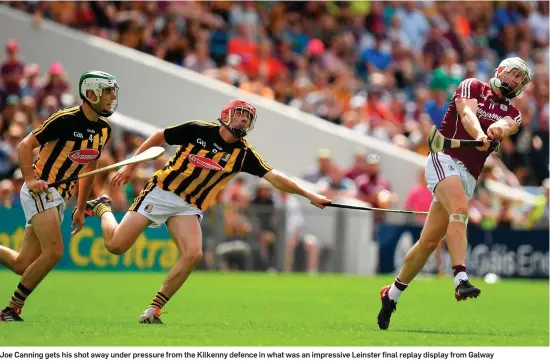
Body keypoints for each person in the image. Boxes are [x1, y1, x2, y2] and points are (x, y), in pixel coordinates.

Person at [79, 99, 331, 324]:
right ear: (227, 114)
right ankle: (102, 207)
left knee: (193, 254)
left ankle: (154, 310)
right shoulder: (198, 129)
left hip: (188, 206)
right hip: (160, 192)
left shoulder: (243, 154)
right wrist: (132, 166)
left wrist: (310, 195)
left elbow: (275, 177)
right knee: (115, 246)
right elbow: (158, 137)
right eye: (240, 113)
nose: (244, 119)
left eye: (248, 117)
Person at [377, 57, 533, 330]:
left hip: (468, 176)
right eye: (513, 74)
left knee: (428, 243)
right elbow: (467, 114)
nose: (515, 81)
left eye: (521, 79)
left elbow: (508, 125)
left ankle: (391, 295)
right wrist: (479, 132)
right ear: (499, 71)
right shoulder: (472, 86)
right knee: (460, 211)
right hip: (444, 157)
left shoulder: (514, 112)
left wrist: (497, 129)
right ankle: (461, 278)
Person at [0, 71, 119, 322]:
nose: (113, 96)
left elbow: (90, 169)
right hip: (42, 190)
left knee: (22, 264)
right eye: (107, 91)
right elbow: (24, 146)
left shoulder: (104, 130)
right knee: (54, 251)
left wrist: (78, 205)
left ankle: (12, 309)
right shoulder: (65, 119)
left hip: (61, 196)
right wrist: (31, 179)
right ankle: (11, 309)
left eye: (113, 91)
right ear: (91, 94)